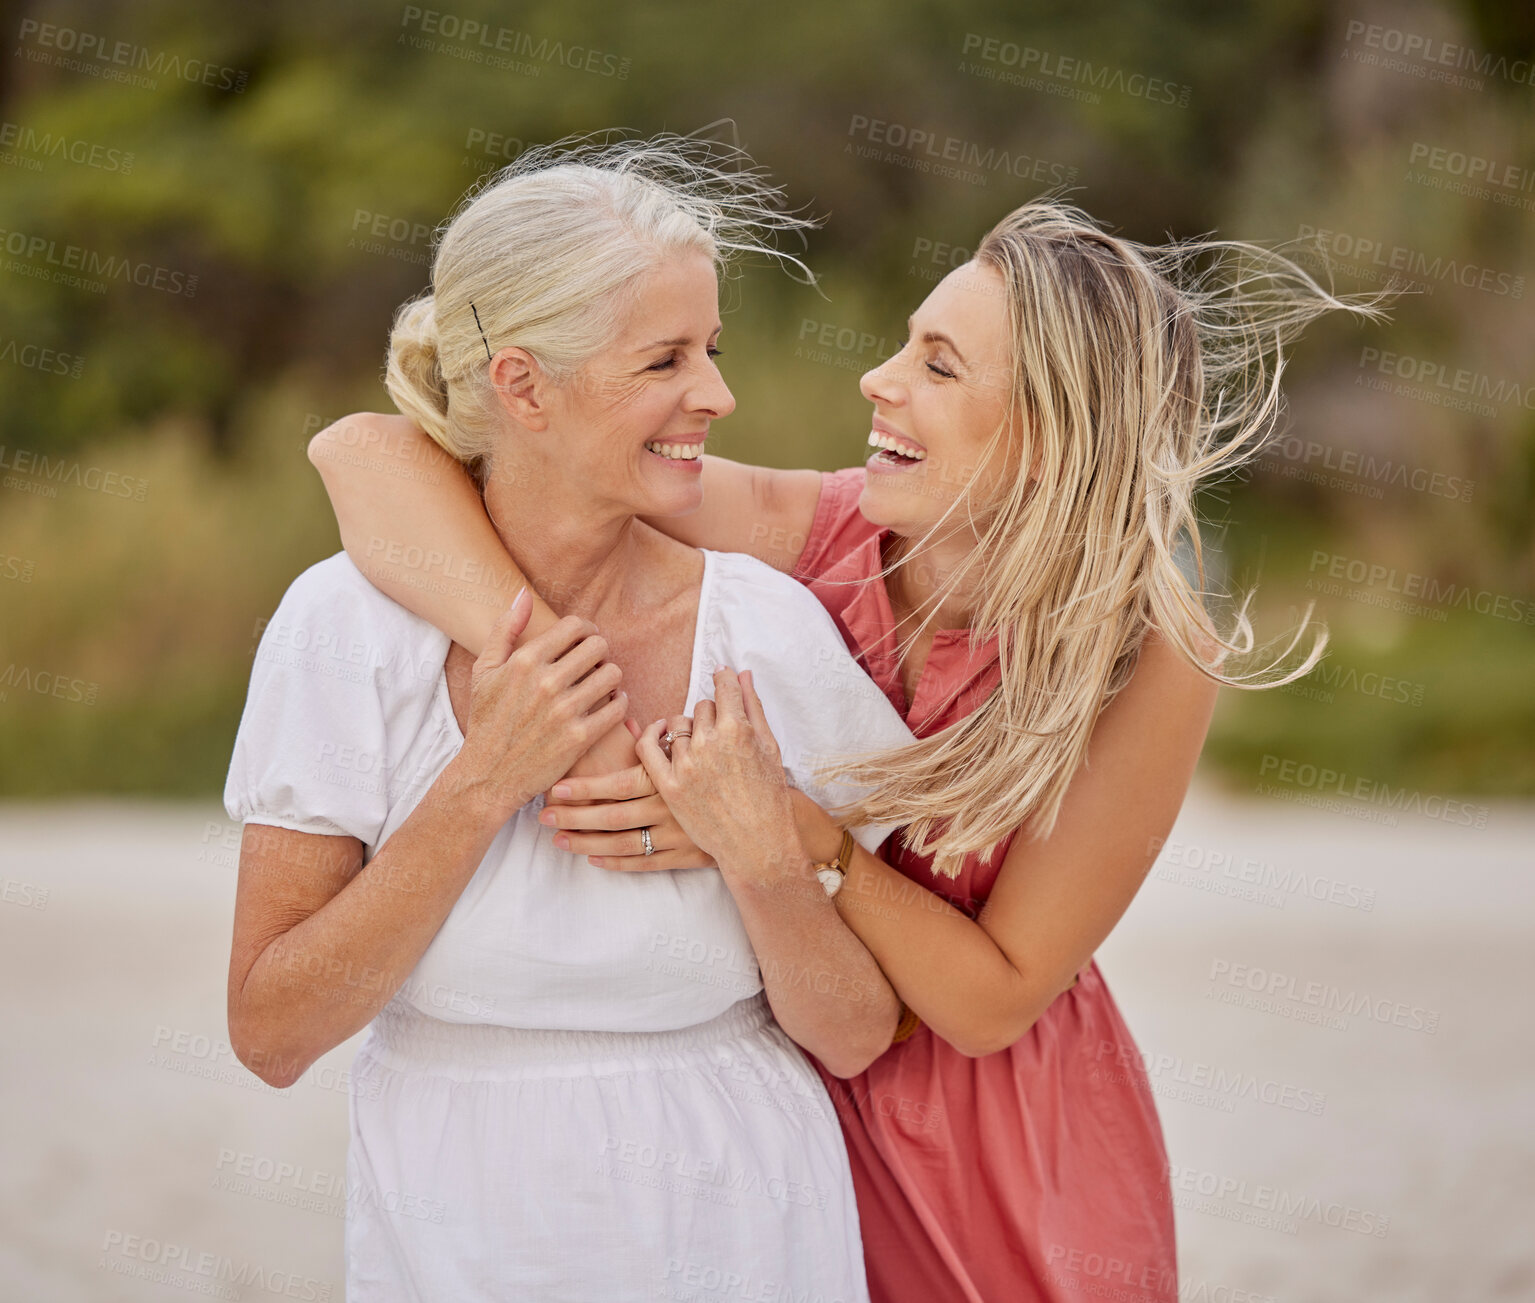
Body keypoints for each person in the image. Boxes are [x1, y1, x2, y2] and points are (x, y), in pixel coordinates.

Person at [310, 193, 1386, 1300]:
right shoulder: (816, 535)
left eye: (938, 365)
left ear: (1055, 429)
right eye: (903, 346)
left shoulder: (1148, 650)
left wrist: (786, 831)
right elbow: (370, 451)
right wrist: (547, 687)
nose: (877, 380)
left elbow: (991, 997)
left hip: (999, 1139)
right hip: (791, 1101)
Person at [225, 137, 923, 1302]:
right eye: (663, 359)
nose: (716, 395)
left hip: (746, 1205)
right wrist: (480, 785)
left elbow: (857, 1035)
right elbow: (271, 1032)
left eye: (710, 349)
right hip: (462, 1216)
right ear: (524, 388)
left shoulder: (764, 629)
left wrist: (765, 861)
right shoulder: (341, 627)